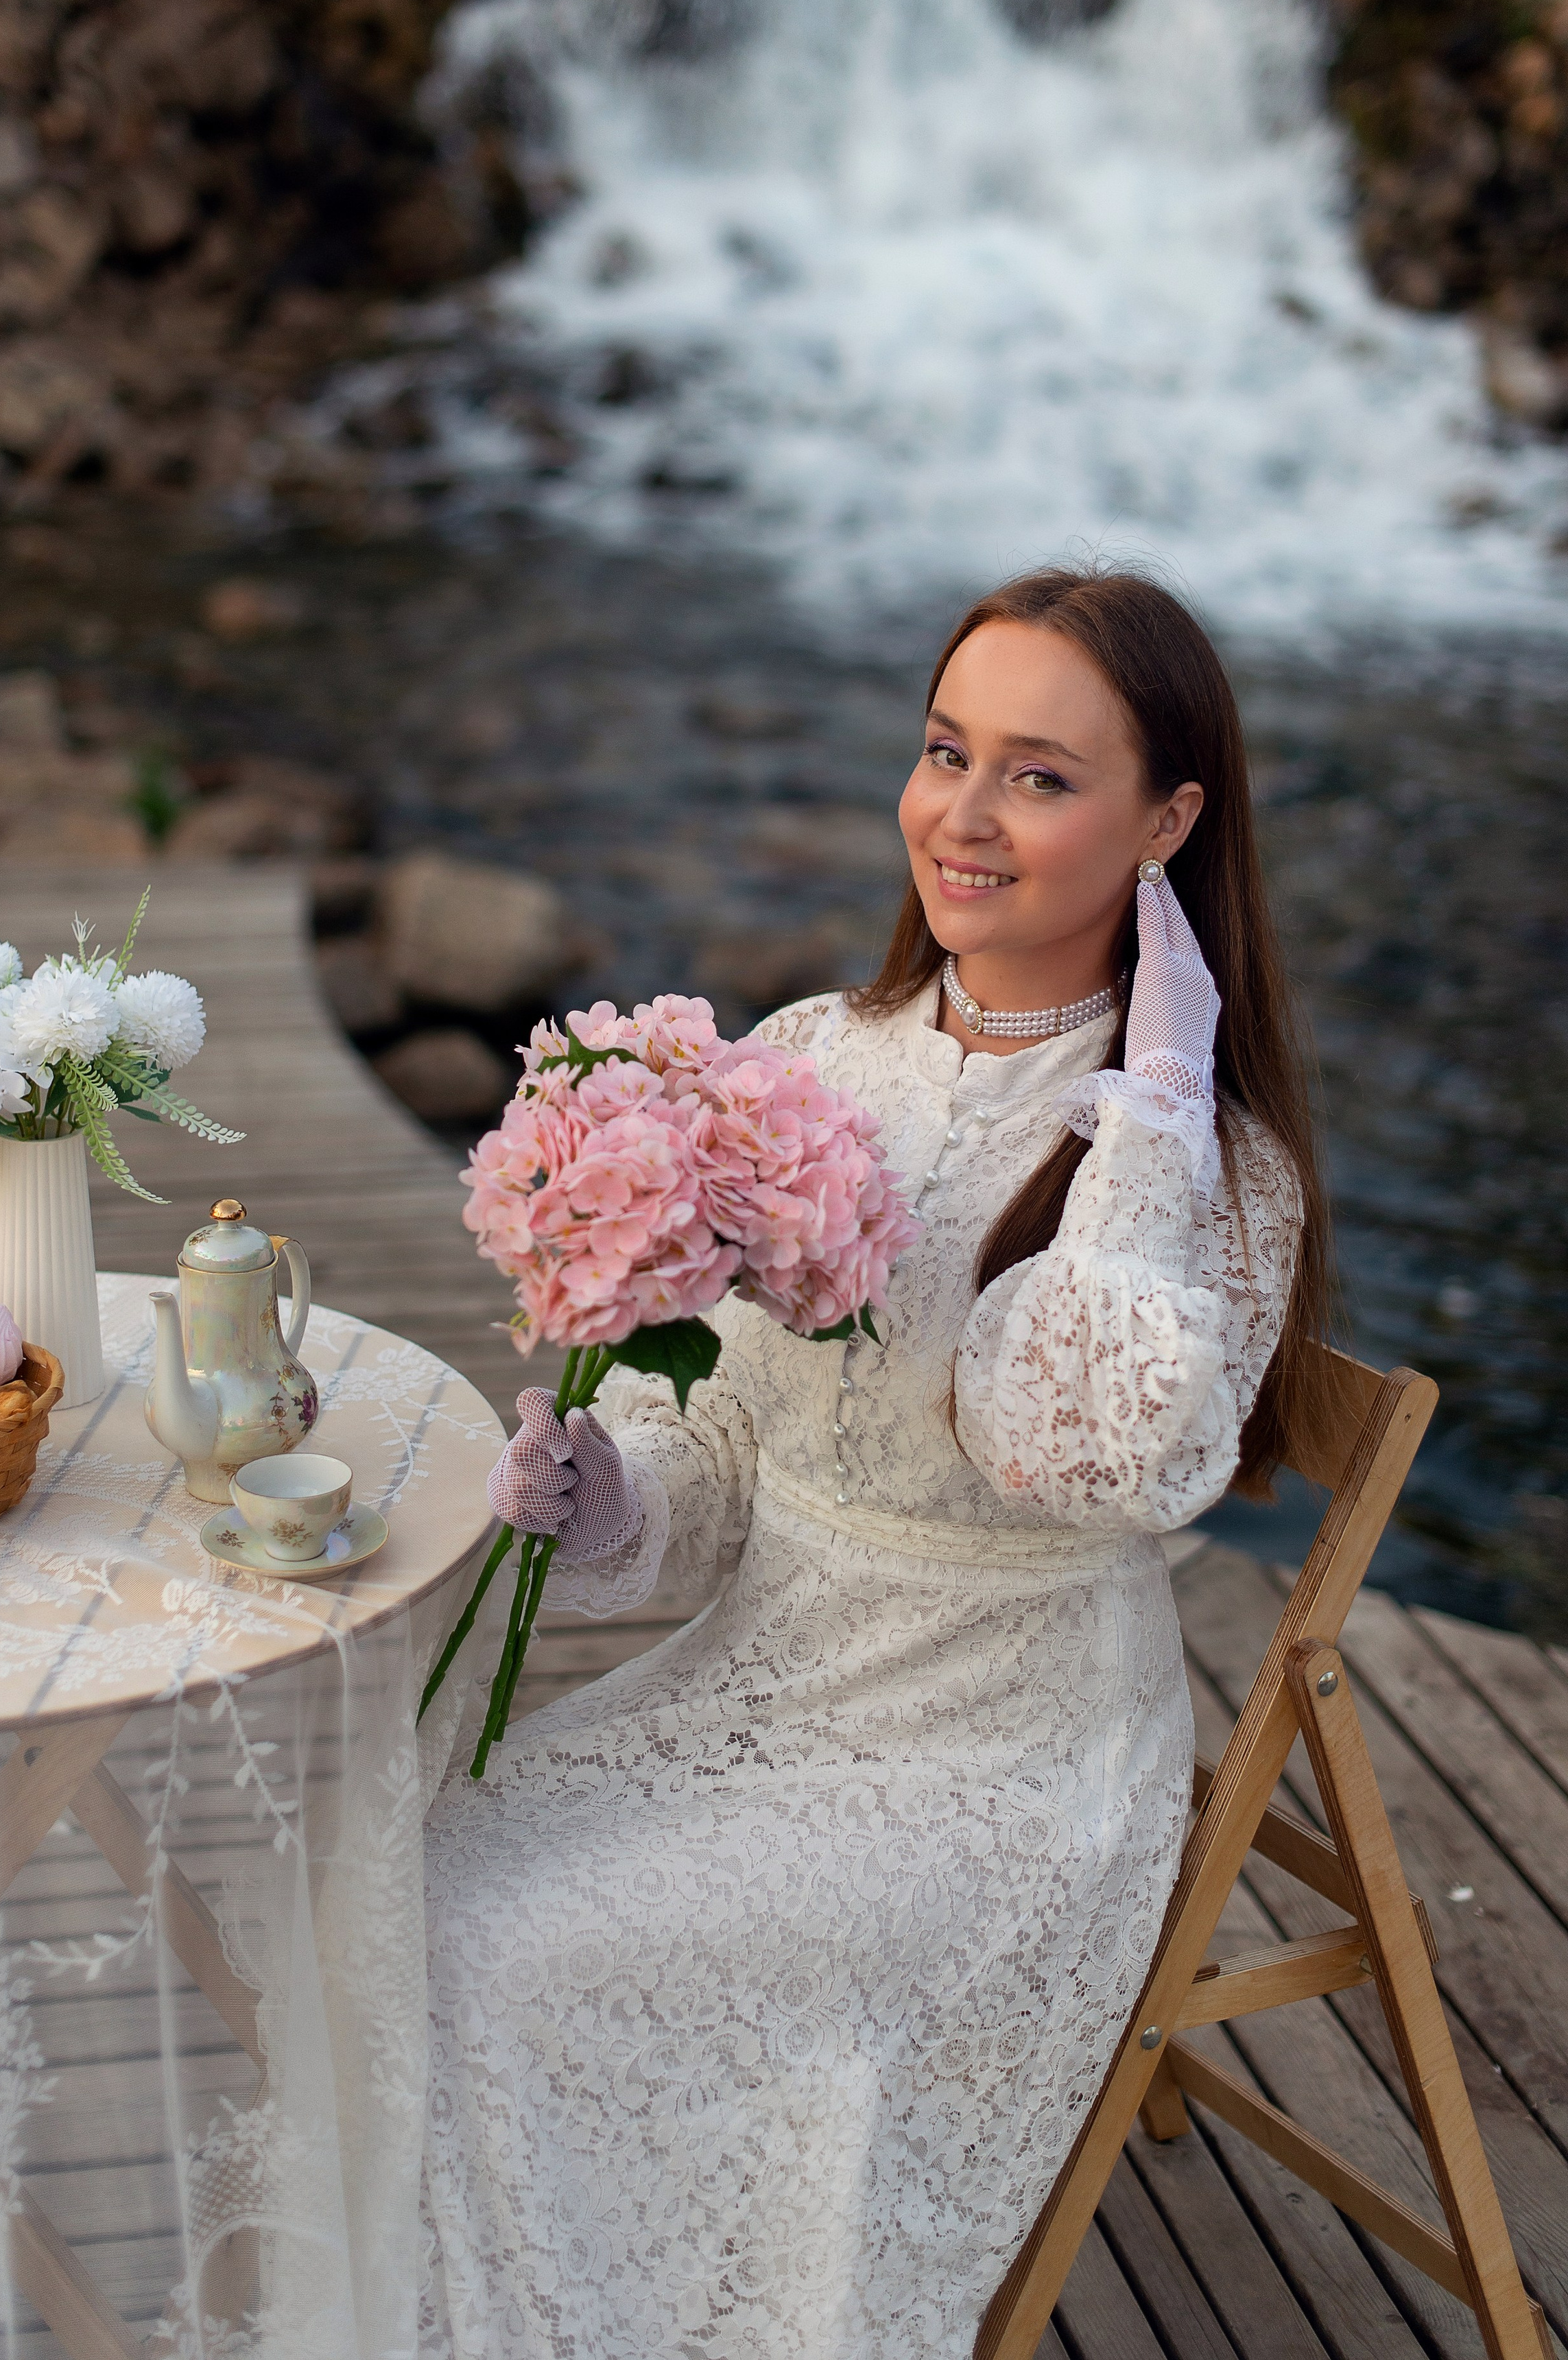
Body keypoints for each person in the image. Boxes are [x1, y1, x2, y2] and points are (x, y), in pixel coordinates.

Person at [418, 568, 1327, 2359]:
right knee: (425, 1868)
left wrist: (1148, 1100)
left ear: (1170, 817)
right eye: (944, 750)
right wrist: (611, 1492)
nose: (963, 817)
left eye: (1039, 776)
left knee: (515, 1952)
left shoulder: (1207, 1163)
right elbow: (728, 1445)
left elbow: (1092, 1457)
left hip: (996, 1764)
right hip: (763, 1689)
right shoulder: (807, 1060)